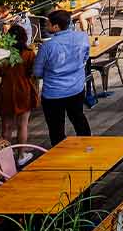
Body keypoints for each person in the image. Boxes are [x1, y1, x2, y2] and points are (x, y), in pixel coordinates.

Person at [32, 8, 92, 145]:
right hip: (76, 87)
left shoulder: (47, 46)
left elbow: (37, 72)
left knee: (56, 127)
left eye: (48, 24)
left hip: (54, 93)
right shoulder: (82, 37)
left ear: (56, 27)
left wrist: (51, 72)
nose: (46, 26)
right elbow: (85, 57)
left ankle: (59, 152)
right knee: (79, 118)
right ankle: (88, 146)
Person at [0, 24, 39, 153]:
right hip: (24, 91)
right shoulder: (29, 54)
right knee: (22, 126)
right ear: (24, 38)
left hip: (6, 91)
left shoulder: (4, 56)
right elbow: (34, 72)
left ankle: (6, 155)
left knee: (6, 127)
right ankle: (21, 154)